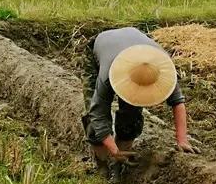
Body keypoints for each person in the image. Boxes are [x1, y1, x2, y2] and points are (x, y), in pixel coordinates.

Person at [83, 27, 196, 175]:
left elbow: (178, 102)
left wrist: (182, 140)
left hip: (137, 43)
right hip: (102, 47)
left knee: (132, 115)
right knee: (93, 118)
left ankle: (120, 165)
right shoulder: (107, 74)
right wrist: (113, 150)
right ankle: (102, 165)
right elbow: (98, 113)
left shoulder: (163, 67)